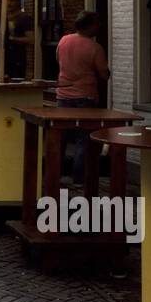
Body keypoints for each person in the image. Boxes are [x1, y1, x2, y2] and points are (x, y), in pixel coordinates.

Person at [57, 10, 111, 183]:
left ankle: (56, 173)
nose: (99, 27)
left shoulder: (64, 40)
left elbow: (58, 59)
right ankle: (79, 178)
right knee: (83, 138)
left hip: (63, 95)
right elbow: (103, 74)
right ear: (90, 26)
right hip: (85, 96)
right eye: (97, 24)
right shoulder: (95, 47)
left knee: (62, 137)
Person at [0, 0, 34, 80]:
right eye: (7, 1)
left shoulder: (24, 18)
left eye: (12, 1)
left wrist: (12, 38)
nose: (9, 3)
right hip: (2, 59)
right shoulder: (1, 17)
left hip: (16, 60)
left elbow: (31, 39)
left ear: (18, 2)